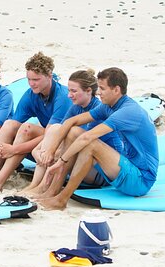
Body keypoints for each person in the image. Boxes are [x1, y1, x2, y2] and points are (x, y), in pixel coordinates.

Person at [40, 67, 159, 210]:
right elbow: (71, 122)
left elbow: (87, 137)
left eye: (102, 88)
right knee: (74, 132)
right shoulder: (109, 106)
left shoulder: (128, 111)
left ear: (116, 90)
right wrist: (51, 151)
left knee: (91, 144)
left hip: (140, 180)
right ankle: (52, 191)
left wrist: (61, 161)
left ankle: (61, 199)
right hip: (125, 167)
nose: (98, 92)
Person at [21, 69, 121, 198]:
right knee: (55, 129)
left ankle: (44, 187)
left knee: (60, 148)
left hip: (100, 173)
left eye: (74, 91)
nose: (69, 95)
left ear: (89, 91)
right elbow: (59, 133)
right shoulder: (76, 107)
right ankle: (36, 185)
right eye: (69, 91)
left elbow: (80, 146)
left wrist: (53, 154)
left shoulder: (98, 110)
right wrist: (37, 151)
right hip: (80, 163)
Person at [0, 52, 71, 191]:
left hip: (64, 144)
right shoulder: (31, 94)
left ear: (49, 76)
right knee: (9, 125)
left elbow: (51, 137)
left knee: (27, 128)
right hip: (46, 142)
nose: (31, 83)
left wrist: (13, 149)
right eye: (29, 79)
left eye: (36, 79)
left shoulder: (63, 97)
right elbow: (11, 125)